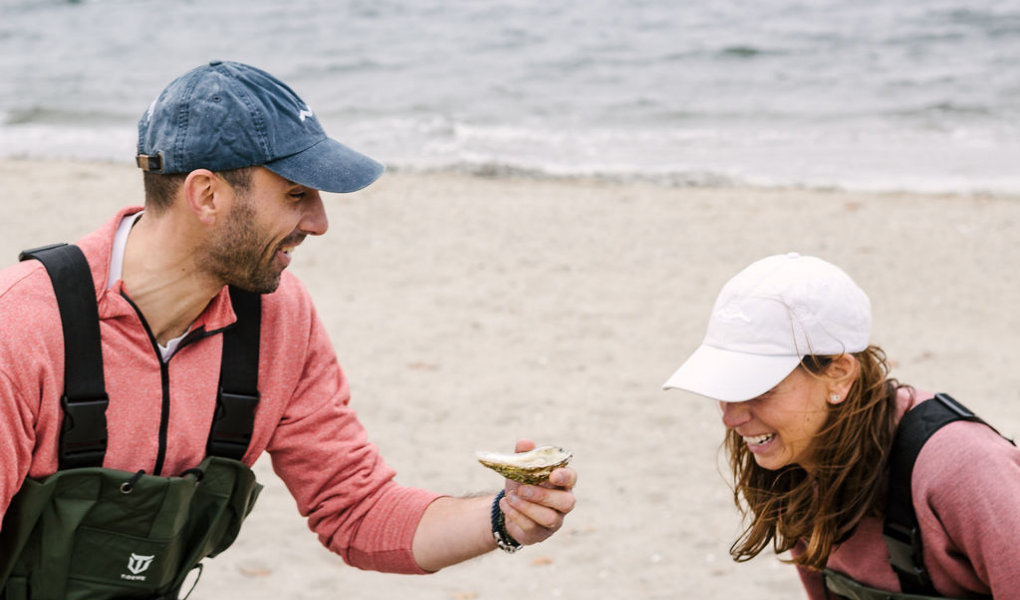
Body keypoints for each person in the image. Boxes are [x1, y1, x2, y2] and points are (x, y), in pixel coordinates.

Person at [0, 61, 576, 598]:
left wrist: (505, 518)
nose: (320, 223)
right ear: (207, 195)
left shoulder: (277, 318)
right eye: (297, 194)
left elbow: (358, 511)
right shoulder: (23, 327)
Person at [662, 252, 1020, 599]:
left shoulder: (963, 468)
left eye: (758, 388)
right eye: (726, 387)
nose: (731, 417)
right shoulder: (790, 462)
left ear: (838, 375)